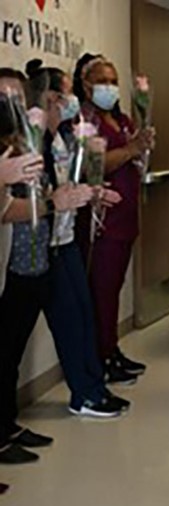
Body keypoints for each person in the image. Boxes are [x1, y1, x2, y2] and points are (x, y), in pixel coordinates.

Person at [25, 60, 129, 420]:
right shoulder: (33, 141)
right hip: (46, 245)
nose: (71, 100)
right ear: (50, 98)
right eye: (66, 92)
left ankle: (93, 387)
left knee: (84, 314)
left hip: (65, 238)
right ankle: (83, 394)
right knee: (69, 319)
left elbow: (68, 181)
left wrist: (92, 193)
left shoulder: (63, 138)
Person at [73, 53, 155, 385]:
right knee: (100, 292)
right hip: (100, 222)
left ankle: (110, 348)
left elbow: (134, 154)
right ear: (86, 84)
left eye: (113, 80)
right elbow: (91, 167)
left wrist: (143, 148)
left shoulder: (120, 120)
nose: (109, 87)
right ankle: (99, 356)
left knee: (113, 290)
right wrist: (131, 150)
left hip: (124, 218)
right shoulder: (84, 122)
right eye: (102, 80)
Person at [0, 68, 55, 466]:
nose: (12, 106)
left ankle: (6, 424)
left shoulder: (25, 143)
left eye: (18, 97)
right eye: (4, 98)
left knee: (11, 352)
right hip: (12, 262)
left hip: (28, 260)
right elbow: (7, 211)